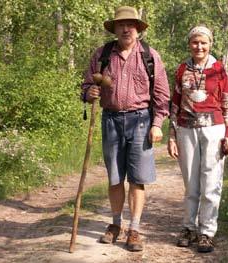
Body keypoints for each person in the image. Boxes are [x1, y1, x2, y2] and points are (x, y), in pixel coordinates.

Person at [81, 6, 170, 252]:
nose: (126, 29)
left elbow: (162, 95)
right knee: (115, 178)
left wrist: (157, 124)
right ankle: (115, 224)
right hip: (110, 121)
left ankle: (134, 229)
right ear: (115, 29)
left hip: (141, 121)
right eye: (121, 25)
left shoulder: (150, 56)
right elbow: (86, 85)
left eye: (131, 24)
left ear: (138, 29)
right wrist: (90, 93)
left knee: (138, 179)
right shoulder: (102, 55)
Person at [167, 25, 228, 253]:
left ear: (210, 44)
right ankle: (189, 228)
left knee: (211, 182)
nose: (199, 46)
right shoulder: (182, 69)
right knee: (191, 183)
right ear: (189, 44)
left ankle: (207, 232)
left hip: (214, 128)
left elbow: (227, 102)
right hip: (186, 129)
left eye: (203, 42)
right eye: (195, 42)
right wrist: (172, 136)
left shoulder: (219, 69)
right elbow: (174, 103)